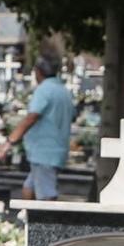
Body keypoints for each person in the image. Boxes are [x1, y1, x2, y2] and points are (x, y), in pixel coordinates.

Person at [6, 55, 74, 201]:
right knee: (28, 188)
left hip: (44, 151)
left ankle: (49, 223)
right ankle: (27, 220)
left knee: (46, 196)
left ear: (38, 72)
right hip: (57, 149)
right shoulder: (63, 91)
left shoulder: (44, 90)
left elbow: (31, 117)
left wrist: (10, 140)